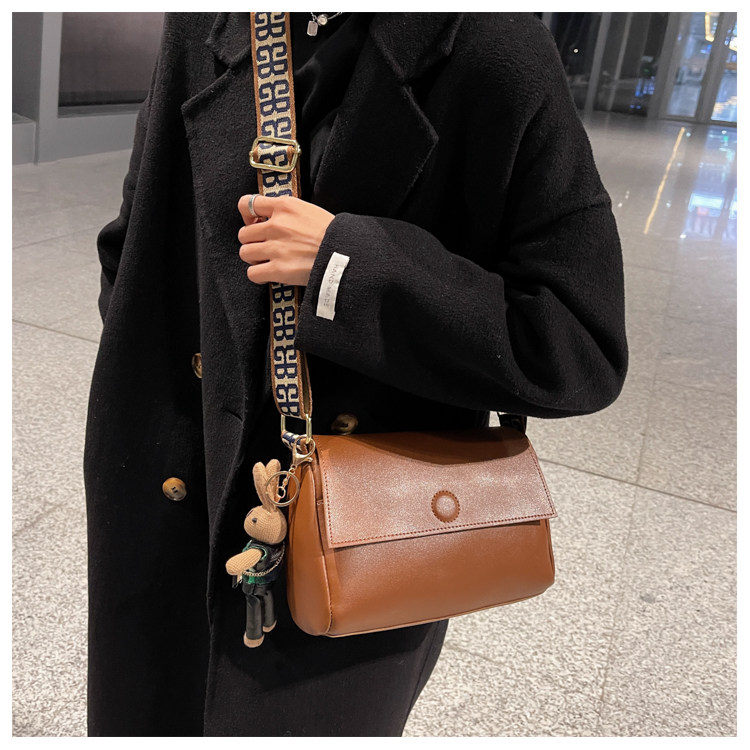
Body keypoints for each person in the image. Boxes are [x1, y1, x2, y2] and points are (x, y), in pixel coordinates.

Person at [84, 12, 628, 737]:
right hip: (168, 499)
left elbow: (578, 342)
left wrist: (347, 266)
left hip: (362, 543)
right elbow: (135, 240)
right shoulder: (205, 20)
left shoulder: (492, 45)